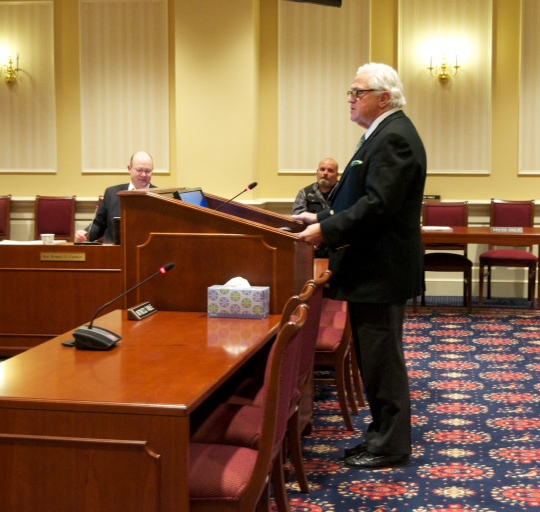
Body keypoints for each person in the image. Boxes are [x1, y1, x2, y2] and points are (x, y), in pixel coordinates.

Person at [293, 63, 427, 469]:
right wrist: (321, 220)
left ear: (383, 97)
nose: (350, 99)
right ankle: (380, 436)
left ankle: (390, 445)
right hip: (373, 269)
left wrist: (326, 231)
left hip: (380, 271)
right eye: (350, 92)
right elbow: (365, 199)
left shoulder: (394, 138)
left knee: (382, 358)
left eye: (358, 92)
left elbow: (378, 205)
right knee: (375, 358)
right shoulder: (383, 134)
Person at [75, 151, 156, 243]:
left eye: (147, 171)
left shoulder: (160, 197)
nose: (143, 175)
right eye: (139, 170)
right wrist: (85, 234)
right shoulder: (111, 193)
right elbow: (98, 224)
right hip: (113, 251)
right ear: (129, 169)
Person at [292, 157, 339, 257]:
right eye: (322, 169)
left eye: (330, 170)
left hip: (337, 247)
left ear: (337, 175)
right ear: (317, 172)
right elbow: (298, 219)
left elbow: (345, 215)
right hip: (312, 248)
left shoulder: (343, 192)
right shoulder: (305, 193)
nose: (325, 173)